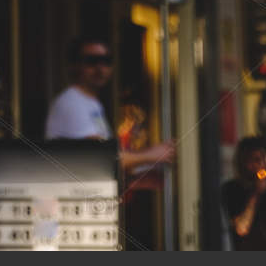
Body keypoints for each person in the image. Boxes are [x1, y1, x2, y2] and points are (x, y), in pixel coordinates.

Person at [45, 37, 175, 177]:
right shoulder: (72, 103)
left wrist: (150, 160)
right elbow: (102, 158)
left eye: (106, 61)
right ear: (76, 65)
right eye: (92, 61)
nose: (100, 68)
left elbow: (108, 157)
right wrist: (152, 155)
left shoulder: (91, 103)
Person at [221, 136, 266, 251]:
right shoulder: (232, 189)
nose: (260, 164)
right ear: (243, 162)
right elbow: (241, 228)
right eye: (255, 160)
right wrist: (256, 193)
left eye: (263, 159)